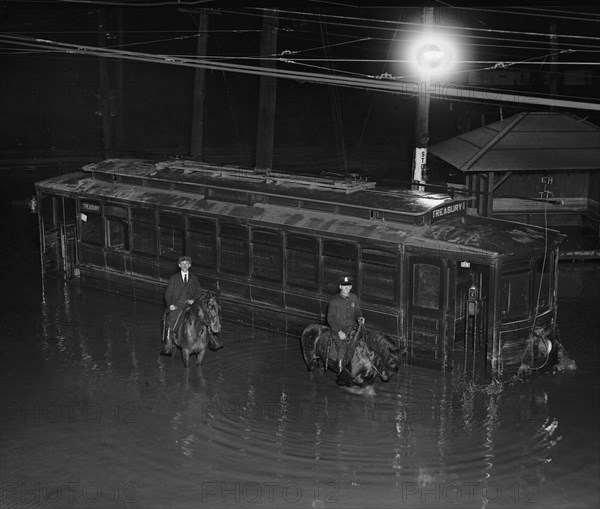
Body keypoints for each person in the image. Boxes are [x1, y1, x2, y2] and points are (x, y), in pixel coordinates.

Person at [162, 255, 222, 354]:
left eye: (186, 264)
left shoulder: (194, 278)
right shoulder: (174, 278)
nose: (184, 265)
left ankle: (212, 339)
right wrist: (170, 304)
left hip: (191, 303)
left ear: (189, 265)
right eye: (182, 264)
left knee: (206, 315)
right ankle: (168, 343)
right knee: (170, 319)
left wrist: (193, 299)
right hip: (177, 304)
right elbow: (168, 293)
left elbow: (198, 291)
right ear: (179, 265)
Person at [327, 275, 366, 372]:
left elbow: (357, 310)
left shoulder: (353, 297)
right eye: (344, 286)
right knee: (342, 348)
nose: (346, 288)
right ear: (340, 287)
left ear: (351, 287)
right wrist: (339, 331)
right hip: (339, 330)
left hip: (352, 328)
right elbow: (330, 318)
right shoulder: (334, 301)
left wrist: (359, 317)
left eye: (348, 286)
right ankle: (341, 372)